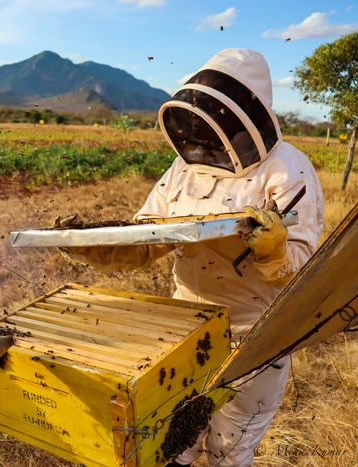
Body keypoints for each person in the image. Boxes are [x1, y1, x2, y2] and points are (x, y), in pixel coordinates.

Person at [59, 49, 324, 466]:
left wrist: (275, 251)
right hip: (184, 329)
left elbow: (308, 269)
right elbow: (147, 235)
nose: (204, 130)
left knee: (228, 450)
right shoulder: (182, 169)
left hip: (253, 334)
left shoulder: (289, 169)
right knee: (173, 443)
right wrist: (94, 244)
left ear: (248, 114)